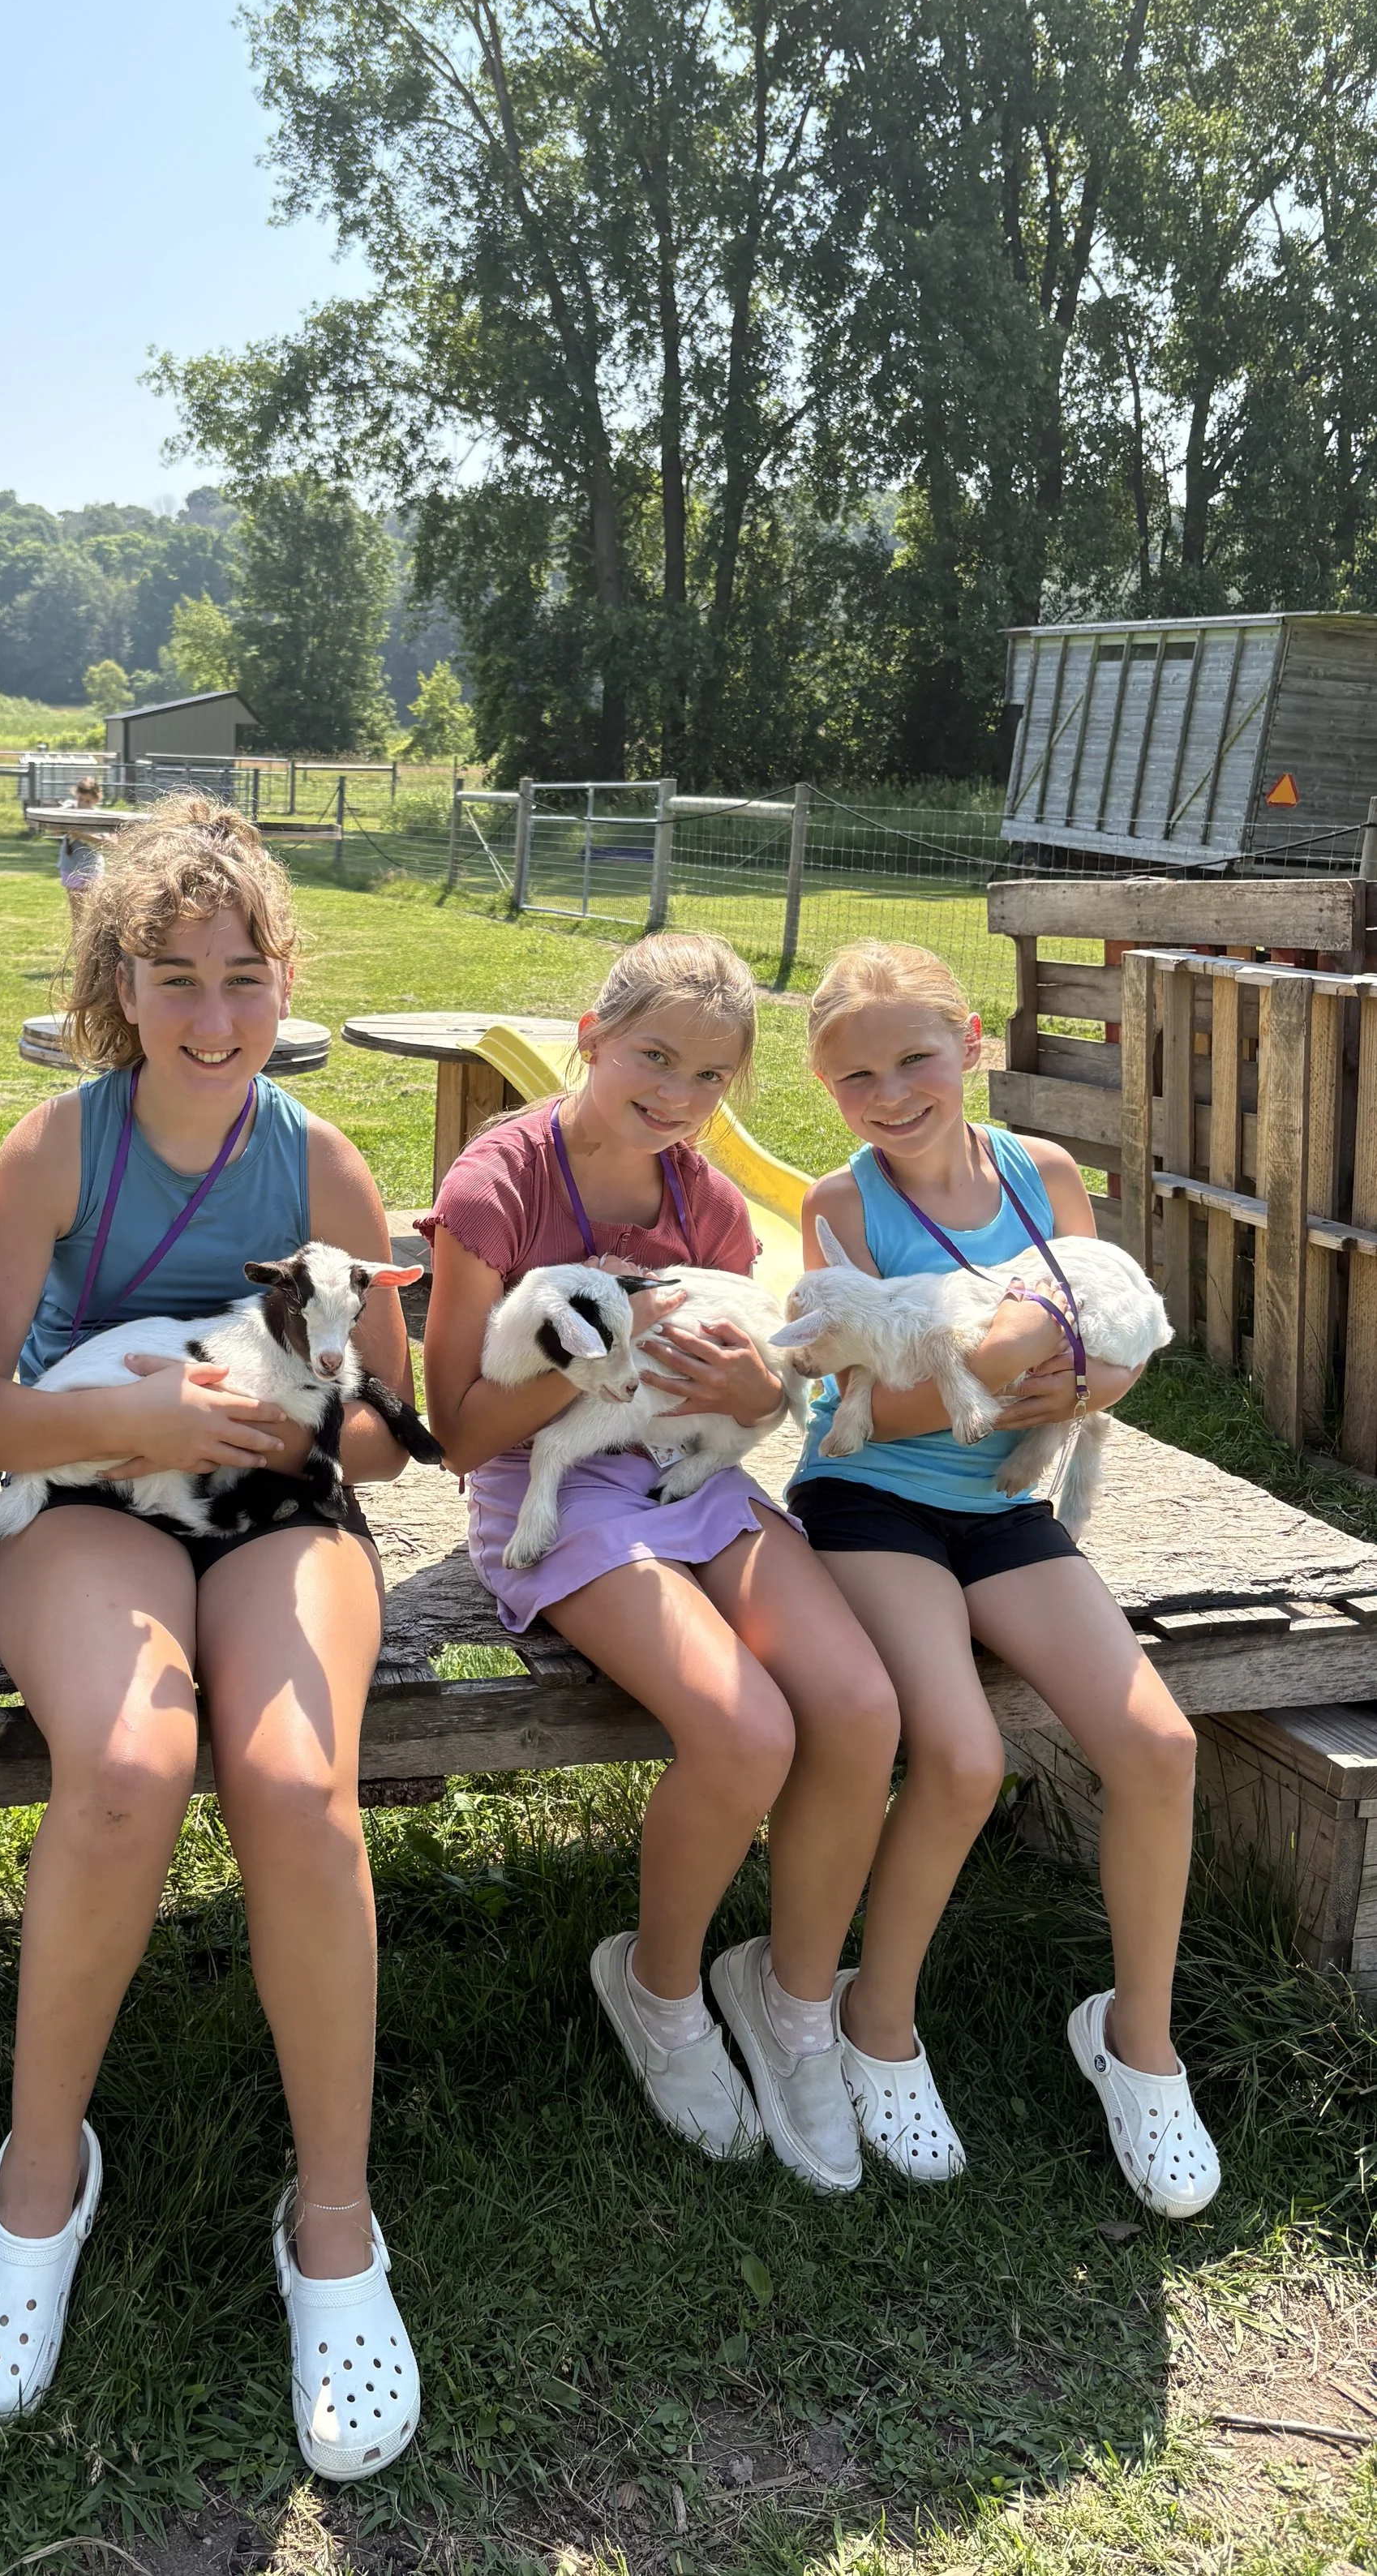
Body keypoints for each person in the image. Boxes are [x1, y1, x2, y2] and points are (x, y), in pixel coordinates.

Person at [0, 795, 424, 2477]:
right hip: (86, 1498)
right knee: (131, 1766)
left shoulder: (323, 1162)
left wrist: (301, 1422)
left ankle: (335, 2221)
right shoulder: (55, 1149)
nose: (214, 1016)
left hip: (279, 1505)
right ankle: (38, 2178)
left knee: (297, 1787)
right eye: (176, 978)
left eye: (243, 976)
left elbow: (387, 1432)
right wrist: (129, 1423)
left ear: (286, 979)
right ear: (119, 985)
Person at [420, 935, 900, 2194]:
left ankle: (795, 2001)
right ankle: (662, 1986)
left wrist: (758, 1392)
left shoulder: (713, 1206)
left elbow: (748, 1390)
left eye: (710, 1075)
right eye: (654, 1055)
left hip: (689, 1473)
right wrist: (607, 1335)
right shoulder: (498, 1185)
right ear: (589, 1037)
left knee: (859, 1707)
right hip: (550, 1490)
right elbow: (458, 1429)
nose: (679, 1093)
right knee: (745, 1732)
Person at [789, 939, 1219, 2214]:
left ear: (972, 1043)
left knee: (1161, 1746)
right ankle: (877, 2018)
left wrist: (1090, 1376)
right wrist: (1013, 1359)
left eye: (916, 1059)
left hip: (1007, 1505)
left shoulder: (1046, 1174)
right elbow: (862, 1411)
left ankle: (1138, 2041)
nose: (891, 1093)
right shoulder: (840, 1206)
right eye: (857, 1076)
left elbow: (1110, 1329)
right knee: (965, 1757)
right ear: (827, 1086)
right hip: (871, 1504)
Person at [58, 773, 107, 928]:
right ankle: (79, 943)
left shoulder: (99, 818)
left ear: (96, 800)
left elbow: (108, 842)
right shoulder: (69, 810)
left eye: (88, 801)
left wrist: (82, 835)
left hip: (92, 866)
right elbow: (55, 829)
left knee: (94, 913)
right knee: (77, 915)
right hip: (71, 865)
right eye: (80, 799)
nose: (83, 804)